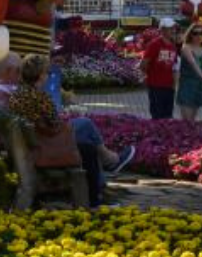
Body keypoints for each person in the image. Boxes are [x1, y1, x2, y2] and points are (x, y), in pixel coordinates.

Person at [9, 56, 133, 207]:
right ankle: (102, 183)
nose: (48, 76)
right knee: (87, 139)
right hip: (46, 145)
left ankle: (106, 173)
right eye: (46, 73)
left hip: (34, 141)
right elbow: (54, 125)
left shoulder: (17, 94)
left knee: (86, 142)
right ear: (40, 75)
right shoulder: (39, 97)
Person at [175, 24, 202, 121]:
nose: (198, 36)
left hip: (199, 86)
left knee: (192, 119)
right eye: (195, 33)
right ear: (190, 35)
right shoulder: (186, 47)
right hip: (187, 86)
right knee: (187, 120)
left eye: (201, 33)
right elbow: (193, 63)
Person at [141, 18, 179, 120]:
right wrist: (147, 76)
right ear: (162, 30)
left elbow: (174, 67)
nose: (173, 30)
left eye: (173, 28)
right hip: (155, 86)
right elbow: (144, 64)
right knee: (157, 116)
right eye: (169, 28)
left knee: (168, 116)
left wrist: (175, 86)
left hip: (169, 87)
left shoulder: (173, 46)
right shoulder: (154, 44)